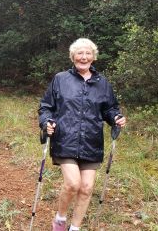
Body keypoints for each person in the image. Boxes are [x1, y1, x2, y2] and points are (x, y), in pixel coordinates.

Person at [38, 38, 126, 231]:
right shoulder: (60, 79)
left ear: (93, 57)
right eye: (79, 53)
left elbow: (110, 109)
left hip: (91, 142)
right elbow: (46, 107)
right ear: (73, 57)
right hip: (65, 140)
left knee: (86, 188)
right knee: (73, 184)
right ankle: (60, 220)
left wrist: (116, 117)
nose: (83, 57)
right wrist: (47, 122)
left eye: (87, 53)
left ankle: (75, 228)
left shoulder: (102, 83)